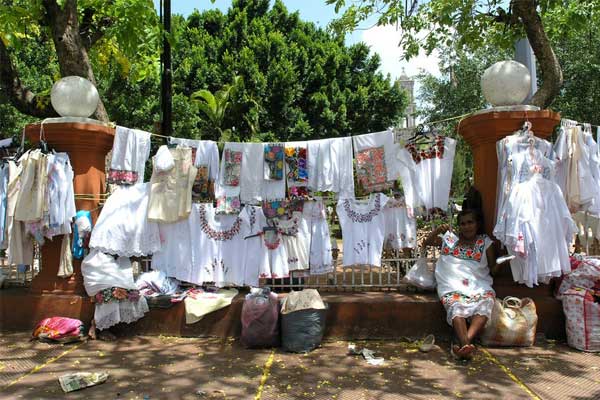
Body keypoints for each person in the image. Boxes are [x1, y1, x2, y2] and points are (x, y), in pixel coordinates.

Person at [423, 208, 502, 360]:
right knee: (456, 305)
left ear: (477, 224)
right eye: (463, 224)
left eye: (470, 222)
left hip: (478, 284)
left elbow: (493, 270)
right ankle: (466, 344)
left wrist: (501, 262)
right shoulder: (451, 239)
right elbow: (426, 243)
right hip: (451, 284)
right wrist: (437, 231)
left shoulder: (485, 242)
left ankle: (464, 344)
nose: (467, 226)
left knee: (485, 302)